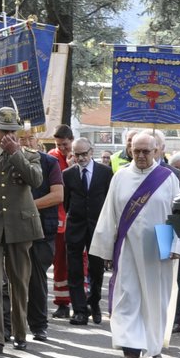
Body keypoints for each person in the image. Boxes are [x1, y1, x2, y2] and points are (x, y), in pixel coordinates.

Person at [89, 130, 180, 358]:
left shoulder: (167, 178)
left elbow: (179, 216)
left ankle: (154, 343)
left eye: (145, 151)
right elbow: (108, 214)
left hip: (158, 246)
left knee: (155, 298)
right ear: (130, 150)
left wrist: (176, 244)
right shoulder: (119, 177)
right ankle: (131, 348)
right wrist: (107, 249)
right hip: (127, 247)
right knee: (128, 297)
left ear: (156, 151)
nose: (140, 155)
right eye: (136, 150)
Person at [0, 106, 44, 354]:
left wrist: (16, 153)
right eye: (4, 131)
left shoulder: (30, 155)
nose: (8, 136)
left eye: (12, 131)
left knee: (19, 283)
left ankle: (19, 332)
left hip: (21, 227)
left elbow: (36, 180)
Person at [62, 138, 112, 326]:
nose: (81, 158)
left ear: (92, 151)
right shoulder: (68, 174)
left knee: (97, 268)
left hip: (98, 227)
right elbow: (66, 202)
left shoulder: (105, 172)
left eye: (84, 154)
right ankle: (79, 310)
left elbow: (109, 199)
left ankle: (94, 303)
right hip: (75, 226)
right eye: (77, 154)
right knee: (74, 269)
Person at [23, 126, 64, 341]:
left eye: (30, 138)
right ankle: (11, 324)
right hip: (13, 228)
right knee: (10, 279)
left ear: (37, 140)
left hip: (42, 230)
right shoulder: (8, 162)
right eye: (21, 138)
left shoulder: (49, 163)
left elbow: (57, 195)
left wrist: (25, 205)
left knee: (36, 278)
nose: (26, 143)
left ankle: (39, 325)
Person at [49, 125, 74, 317]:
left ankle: (80, 299)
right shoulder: (53, 157)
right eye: (58, 145)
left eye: (65, 144)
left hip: (77, 218)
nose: (62, 148)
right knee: (60, 261)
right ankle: (62, 302)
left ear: (71, 140)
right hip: (59, 217)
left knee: (79, 261)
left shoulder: (80, 155)